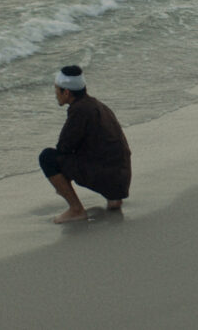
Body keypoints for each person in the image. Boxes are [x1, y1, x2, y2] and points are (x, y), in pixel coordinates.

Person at [38, 65, 132, 223]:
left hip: (108, 177)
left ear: (66, 92)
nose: (55, 94)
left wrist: (61, 183)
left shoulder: (79, 111)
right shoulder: (98, 105)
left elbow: (63, 147)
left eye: (56, 89)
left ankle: (76, 210)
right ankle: (114, 199)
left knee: (48, 157)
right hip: (121, 178)